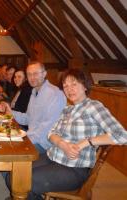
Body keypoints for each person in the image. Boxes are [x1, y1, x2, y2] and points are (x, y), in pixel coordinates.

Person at [27, 68, 127, 200]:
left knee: (26, 181)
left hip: (74, 168)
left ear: (85, 86)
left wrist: (84, 143)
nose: (69, 89)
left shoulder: (94, 106)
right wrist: (62, 144)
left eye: (74, 84)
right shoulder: (67, 109)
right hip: (52, 156)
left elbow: (122, 135)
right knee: (19, 174)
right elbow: (51, 133)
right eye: (65, 86)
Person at [0, 62, 66, 153]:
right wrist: (10, 112)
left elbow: (47, 128)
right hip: (31, 137)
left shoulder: (55, 94)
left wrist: (25, 140)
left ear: (44, 74)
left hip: (44, 144)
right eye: (29, 74)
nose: (32, 77)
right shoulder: (34, 92)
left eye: (35, 74)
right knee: (0, 139)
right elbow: (28, 118)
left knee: (8, 150)